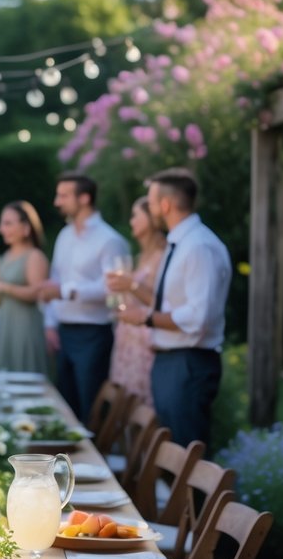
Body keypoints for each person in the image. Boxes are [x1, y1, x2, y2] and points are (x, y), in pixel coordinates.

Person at [117, 167, 231, 452]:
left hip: (189, 363)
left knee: (188, 457)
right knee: (173, 457)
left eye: (152, 201)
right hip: (170, 360)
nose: (151, 207)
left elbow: (197, 317)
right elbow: (169, 301)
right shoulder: (178, 244)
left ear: (165, 205)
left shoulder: (198, 247)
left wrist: (144, 318)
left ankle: (200, 500)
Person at [38, 172, 130, 425]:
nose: (57, 202)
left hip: (94, 334)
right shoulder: (65, 236)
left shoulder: (109, 240)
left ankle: (94, 462)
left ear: (85, 198)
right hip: (64, 332)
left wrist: (67, 291)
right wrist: (50, 324)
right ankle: (65, 464)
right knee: (65, 405)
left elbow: (112, 290)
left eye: (64, 195)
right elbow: (54, 280)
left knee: (91, 407)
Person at [106, 196, 167, 405]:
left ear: (150, 219)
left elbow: (161, 301)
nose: (131, 221)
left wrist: (131, 285)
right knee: (123, 403)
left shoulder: (162, 255)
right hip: (127, 337)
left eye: (135, 216)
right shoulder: (140, 256)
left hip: (145, 338)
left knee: (142, 402)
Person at [0, 201, 49, 374]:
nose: (2, 229)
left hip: (25, 327)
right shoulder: (6, 255)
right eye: (2, 223)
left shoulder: (34, 256)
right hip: (6, 324)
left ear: (26, 227)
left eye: (8, 223)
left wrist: (4, 287)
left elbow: (38, 293)